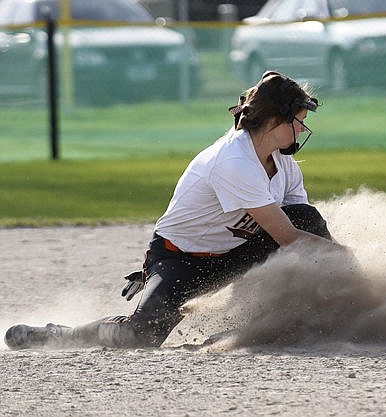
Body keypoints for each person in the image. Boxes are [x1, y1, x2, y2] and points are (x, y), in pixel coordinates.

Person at [5, 71, 344, 349]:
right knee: (142, 334)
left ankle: (328, 310)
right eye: (297, 121)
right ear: (274, 121)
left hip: (235, 254)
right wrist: (349, 259)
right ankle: (61, 335)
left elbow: (302, 227)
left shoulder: (284, 164)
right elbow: (285, 235)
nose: (301, 129)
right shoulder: (235, 161)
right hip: (182, 260)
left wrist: (343, 272)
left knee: (307, 219)